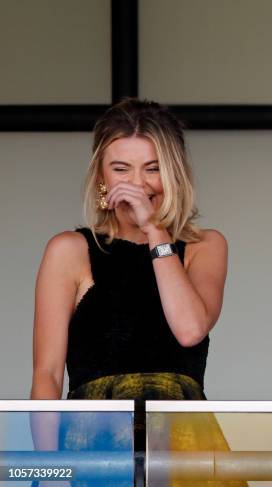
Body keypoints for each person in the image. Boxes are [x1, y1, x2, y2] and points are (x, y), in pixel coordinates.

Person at [30, 99, 241, 485]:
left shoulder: (204, 246)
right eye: (121, 169)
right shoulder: (69, 250)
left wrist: (154, 231)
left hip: (185, 450)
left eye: (153, 168)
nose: (138, 183)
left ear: (175, 174)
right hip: (92, 447)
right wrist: (50, 472)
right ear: (101, 177)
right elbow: (46, 375)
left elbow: (190, 328)